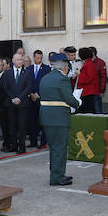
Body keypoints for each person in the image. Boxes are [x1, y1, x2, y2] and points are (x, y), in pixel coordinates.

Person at [39, 52, 81, 186]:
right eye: (68, 66)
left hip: (46, 117)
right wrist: (78, 102)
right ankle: (57, 177)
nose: (68, 69)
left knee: (54, 148)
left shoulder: (45, 78)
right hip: (59, 118)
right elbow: (68, 98)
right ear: (64, 66)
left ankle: (58, 174)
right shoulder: (62, 79)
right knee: (60, 148)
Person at [1, 53, 33, 153]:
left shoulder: (27, 72)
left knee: (22, 126)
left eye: (21, 60)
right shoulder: (7, 73)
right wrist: (12, 98)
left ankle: (22, 147)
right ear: (13, 61)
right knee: (12, 126)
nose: (20, 61)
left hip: (23, 104)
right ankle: (13, 146)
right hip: (11, 104)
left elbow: (28, 87)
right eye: (18, 60)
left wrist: (19, 98)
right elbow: (5, 87)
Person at [26, 50, 51, 149]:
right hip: (30, 99)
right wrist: (31, 93)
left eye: (40, 58)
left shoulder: (46, 69)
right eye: (37, 58)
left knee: (43, 121)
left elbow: (47, 84)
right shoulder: (29, 69)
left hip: (41, 98)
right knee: (32, 121)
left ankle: (43, 142)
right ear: (33, 57)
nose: (39, 60)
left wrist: (38, 94)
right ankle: (33, 141)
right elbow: (27, 83)